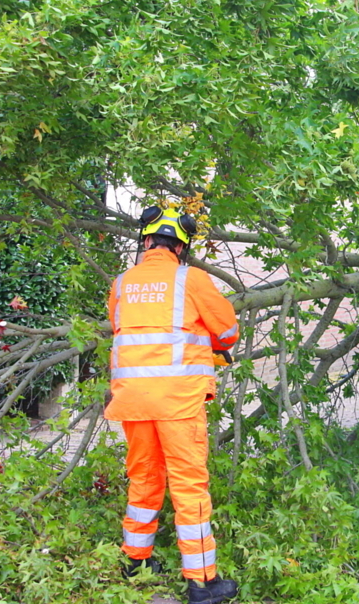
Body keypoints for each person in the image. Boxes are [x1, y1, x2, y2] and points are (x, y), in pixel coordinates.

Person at [105, 206, 240, 604]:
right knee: (188, 485)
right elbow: (228, 332)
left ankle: (135, 560)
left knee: (144, 478)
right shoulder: (191, 279)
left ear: (145, 242)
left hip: (133, 400)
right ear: (182, 247)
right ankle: (201, 582)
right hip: (178, 402)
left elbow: (122, 328)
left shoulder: (122, 282)